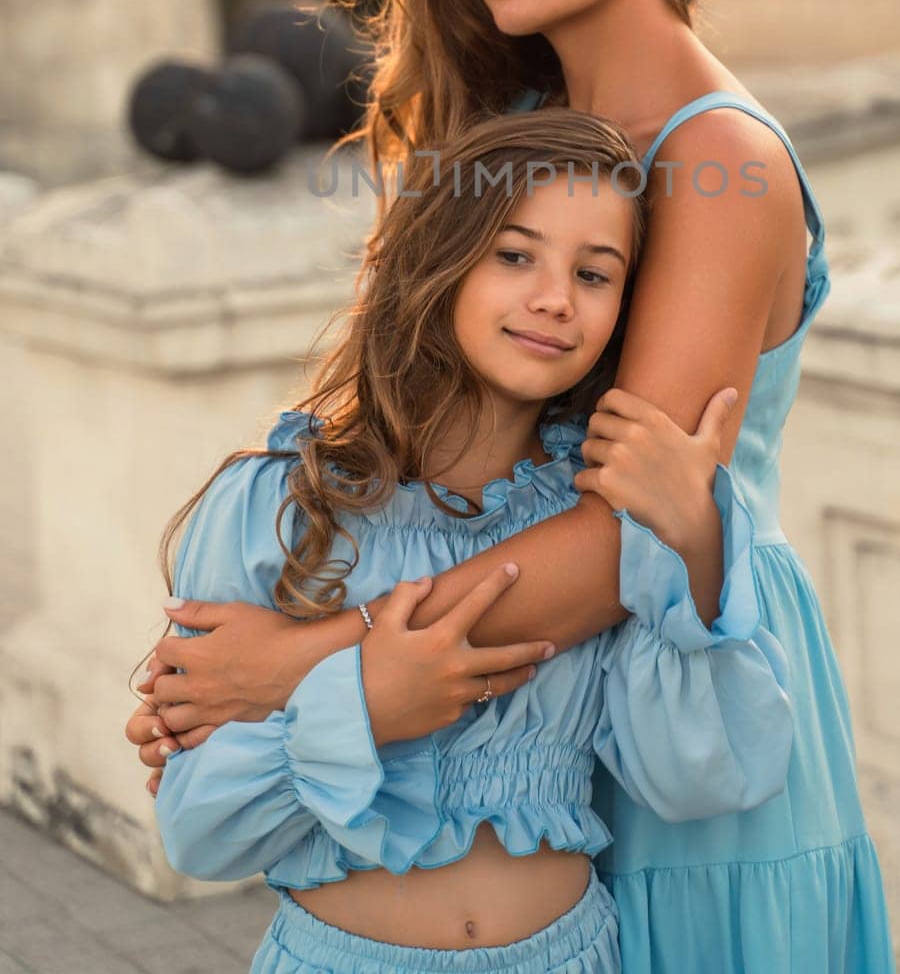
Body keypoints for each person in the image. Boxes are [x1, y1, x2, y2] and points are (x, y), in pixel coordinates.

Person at [129, 0, 895, 971]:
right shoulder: (525, 127)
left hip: (680, 695)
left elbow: (623, 532)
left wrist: (297, 666)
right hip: (519, 718)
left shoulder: (716, 164)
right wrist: (225, 672)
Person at [151, 109, 792, 974]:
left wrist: (694, 543)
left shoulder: (601, 520)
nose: (555, 298)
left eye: (595, 274)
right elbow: (200, 834)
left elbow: (705, 779)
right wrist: (367, 703)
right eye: (514, 255)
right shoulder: (279, 509)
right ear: (437, 259)